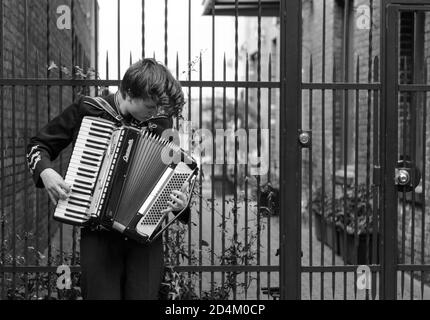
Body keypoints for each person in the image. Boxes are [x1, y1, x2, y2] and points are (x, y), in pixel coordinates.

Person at [26, 58, 191, 300]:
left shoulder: (160, 124)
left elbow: (175, 176)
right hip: (99, 236)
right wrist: (46, 171)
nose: (154, 112)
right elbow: (38, 145)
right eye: (150, 106)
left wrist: (181, 203)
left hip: (145, 239)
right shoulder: (89, 110)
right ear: (130, 92)